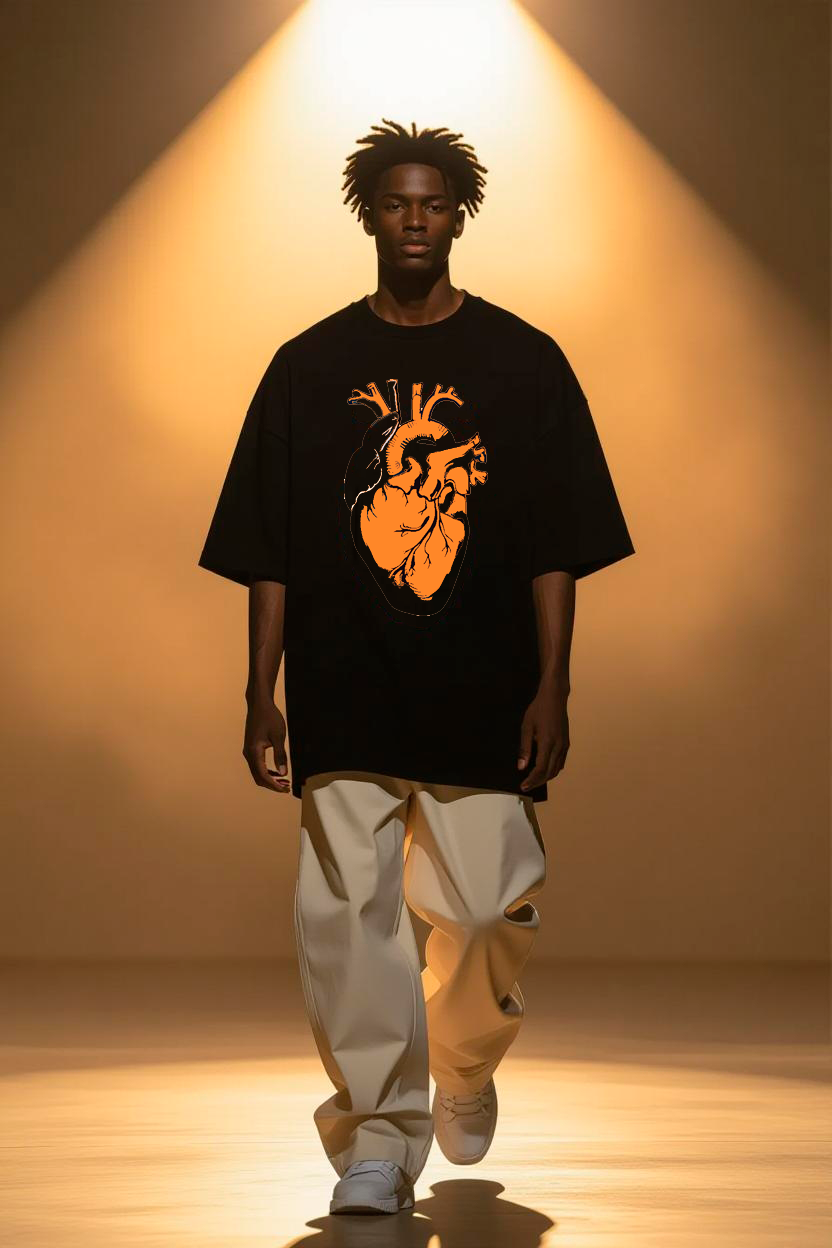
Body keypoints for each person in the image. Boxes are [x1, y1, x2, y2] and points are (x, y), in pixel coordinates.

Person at [197, 118, 635, 1216]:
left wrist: (553, 683)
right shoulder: (307, 367)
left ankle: (464, 1064)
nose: (414, 221)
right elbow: (269, 547)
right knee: (348, 922)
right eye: (396, 204)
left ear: (458, 216)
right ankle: (377, 1141)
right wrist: (260, 690)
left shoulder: (523, 362)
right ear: (369, 215)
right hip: (343, 681)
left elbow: (553, 542)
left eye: (432, 204)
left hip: (483, 685)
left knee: (486, 914)